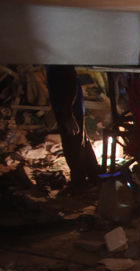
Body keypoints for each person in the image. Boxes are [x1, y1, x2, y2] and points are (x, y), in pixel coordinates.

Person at [45, 65, 101, 194]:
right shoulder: (55, 62)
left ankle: (78, 184)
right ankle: (94, 175)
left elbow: (71, 85)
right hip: (69, 109)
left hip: (69, 111)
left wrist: (68, 113)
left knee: (72, 147)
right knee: (81, 143)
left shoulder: (57, 63)